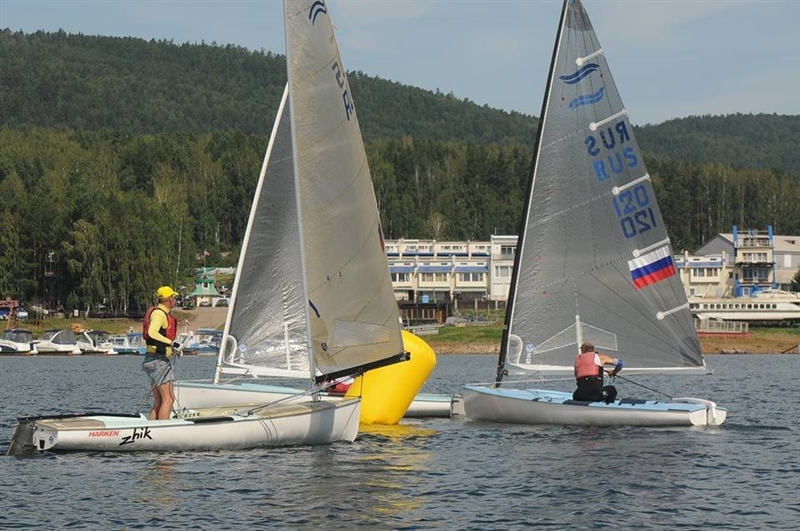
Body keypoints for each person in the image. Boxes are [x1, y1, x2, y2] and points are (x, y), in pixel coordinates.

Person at [142, 285, 182, 420]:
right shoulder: (159, 314)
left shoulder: (159, 313)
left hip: (152, 359)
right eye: (174, 297)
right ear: (169, 299)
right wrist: (172, 343)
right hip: (158, 360)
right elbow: (152, 332)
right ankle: (163, 428)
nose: (174, 300)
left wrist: (173, 349)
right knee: (169, 399)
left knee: (159, 400)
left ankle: (152, 428)